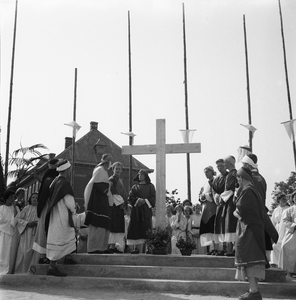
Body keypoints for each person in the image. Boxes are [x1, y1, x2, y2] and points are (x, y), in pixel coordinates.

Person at [234, 167, 268, 300]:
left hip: (250, 230)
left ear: (242, 178)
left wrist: (235, 213)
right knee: (251, 260)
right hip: (253, 229)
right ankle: (253, 291)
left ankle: (254, 292)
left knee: (250, 260)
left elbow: (242, 210)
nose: (237, 180)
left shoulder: (248, 191)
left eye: (238, 178)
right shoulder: (253, 191)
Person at [45, 159, 77, 277]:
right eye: (70, 169)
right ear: (67, 169)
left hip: (54, 214)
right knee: (62, 236)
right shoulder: (64, 183)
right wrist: (74, 209)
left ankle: (66, 257)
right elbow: (69, 202)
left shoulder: (54, 182)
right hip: (62, 214)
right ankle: (52, 266)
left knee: (60, 236)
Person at [84, 153, 113, 254]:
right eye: (110, 161)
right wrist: (109, 186)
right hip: (97, 202)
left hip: (103, 202)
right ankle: (94, 248)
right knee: (98, 224)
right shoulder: (100, 169)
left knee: (103, 224)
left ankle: (102, 247)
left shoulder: (104, 171)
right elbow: (100, 185)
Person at [32, 158, 59, 264]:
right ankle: (44, 256)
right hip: (47, 207)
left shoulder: (47, 177)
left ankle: (44, 255)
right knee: (46, 230)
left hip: (44, 207)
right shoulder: (51, 178)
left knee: (45, 230)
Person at [126, 169, 156, 254]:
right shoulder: (135, 187)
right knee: (135, 228)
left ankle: (148, 248)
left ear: (145, 176)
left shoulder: (151, 186)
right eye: (139, 174)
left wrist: (145, 200)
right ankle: (135, 248)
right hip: (136, 210)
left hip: (146, 210)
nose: (140, 176)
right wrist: (138, 200)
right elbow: (130, 197)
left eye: (142, 174)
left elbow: (153, 197)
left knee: (146, 228)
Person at [14, 192, 39, 273]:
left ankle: (31, 271)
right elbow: (18, 219)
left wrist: (36, 223)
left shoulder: (40, 209)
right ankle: (20, 271)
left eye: (36, 198)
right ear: (30, 199)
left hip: (36, 234)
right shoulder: (26, 208)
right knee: (23, 253)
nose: (35, 199)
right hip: (26, 234)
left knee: (33, 253)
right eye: (33, 197)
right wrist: (27, 223)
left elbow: (43, 221)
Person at [108, 161, 128, 254]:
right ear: (113, 169)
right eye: (117, 169)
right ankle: (111, 245)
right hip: (115, 205)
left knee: (119, 225)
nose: (118, 170)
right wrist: (118, 202)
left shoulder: (120, 180)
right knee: (114, 225)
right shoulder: (112, 179)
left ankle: (115, 245)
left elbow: (122, 193)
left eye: (120, 169)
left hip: (120, 205)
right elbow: (109, 191)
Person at [199, 166, 218, 255]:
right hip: (205, 209)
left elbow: (216, 194)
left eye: (207, 172)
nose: (206, 174)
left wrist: (207, 195)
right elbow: (200, 195)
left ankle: (216, 248)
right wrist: (202, 197)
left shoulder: (216, 181)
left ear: (211, 172)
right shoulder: (204, 185)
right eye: (205, 172)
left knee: (213, 229)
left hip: (214, 209)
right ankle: (208, 249)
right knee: (206, 230)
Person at [221, 155, 237, 256]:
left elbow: (231, 189)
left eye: (225, 162)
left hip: (231, 202)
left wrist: (220, 198)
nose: (224, 164)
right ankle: (229, 248)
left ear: (230, 162)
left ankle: (232, 249)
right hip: (228, 202)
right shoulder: (231, 174)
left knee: (231, 224)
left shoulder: (233, 173)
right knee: (228, 224)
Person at [0, 190, 19, 274]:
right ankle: (2, 270)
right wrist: (10, 221)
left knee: (11, 252)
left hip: (13, 233)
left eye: (13, 197)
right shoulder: (1, 208)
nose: (13, 198)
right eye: (11, 197)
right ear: (7, 198)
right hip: (4, 233)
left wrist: (15, 208)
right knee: (3, 252)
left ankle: (10, 270)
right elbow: (1, 220)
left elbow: (17, 219)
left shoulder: (16, 208)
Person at [212, 159, 228, 256]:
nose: (220, 168)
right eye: (218, 166)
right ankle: (220, 247)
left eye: (221, 166)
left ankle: (228, 247)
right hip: (219, 205)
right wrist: (216, 197)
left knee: (227, 225)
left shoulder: (229, 176)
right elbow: (214, 190)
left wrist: (223, 197)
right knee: (219, 225)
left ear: (225, 165)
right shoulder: (216, 179)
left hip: (227, 204)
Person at [278, 191, 296, 277]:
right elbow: (285, 221)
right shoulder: (290, 209)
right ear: (293, 199)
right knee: (285, 246)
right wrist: (293, 225)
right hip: (293, 232)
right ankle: (289, 271)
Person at [270, 193, 290, 267]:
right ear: (279, 200)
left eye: (285, 199)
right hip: (278, 230)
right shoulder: (276, 210)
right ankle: (275, 263)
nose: (285, 200)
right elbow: (273, 222)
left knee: (284, 247)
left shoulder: (289, 208)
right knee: (275, 246)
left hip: (286, 230)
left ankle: (284, 265)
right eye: (283, 199)